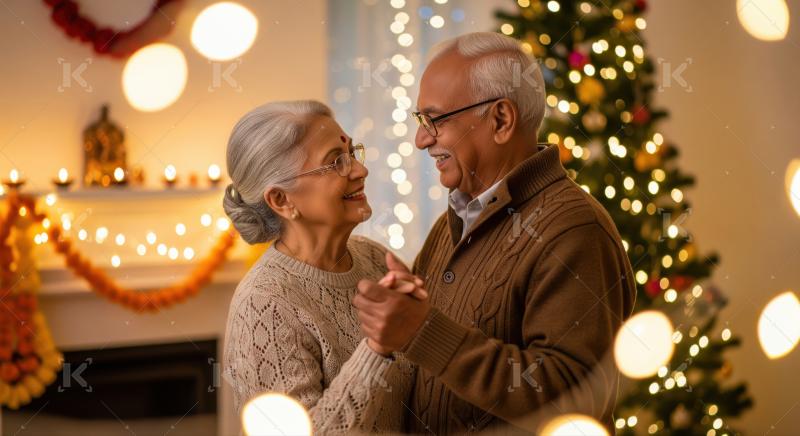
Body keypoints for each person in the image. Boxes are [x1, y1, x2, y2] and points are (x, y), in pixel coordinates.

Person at [352, 32, 637, 433]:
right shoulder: (452, 222)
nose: (421, 139)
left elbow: (575, 400)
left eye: (434, 119)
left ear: (501, 120)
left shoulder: (574, 231)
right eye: (420, 120)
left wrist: (423, 331)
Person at [221, 100, 424, 434]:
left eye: (353, 153)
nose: (360, 171)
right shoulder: (263, 304)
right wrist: (377, 348)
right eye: (335, 163)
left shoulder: (374, 258)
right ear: (281, 201)